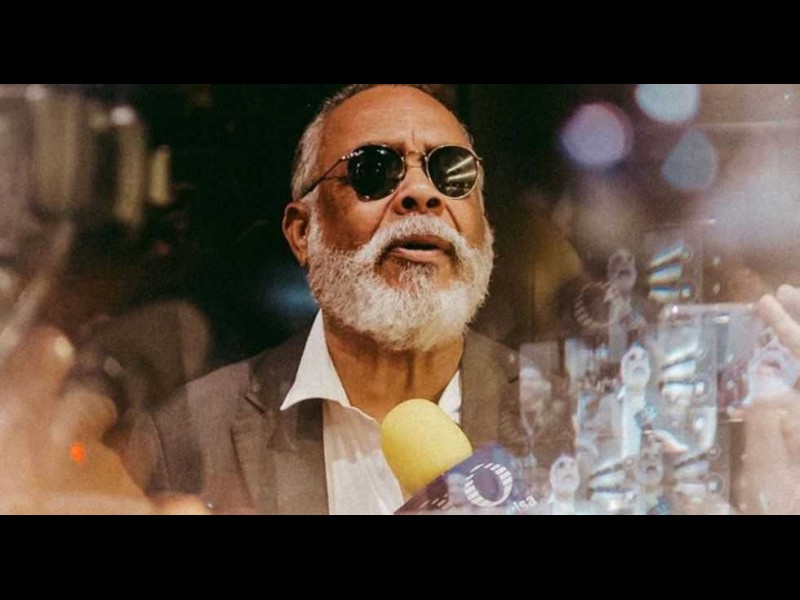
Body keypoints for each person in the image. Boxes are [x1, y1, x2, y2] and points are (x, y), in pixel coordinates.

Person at [121, 84, 536, 515]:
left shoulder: (567, 420)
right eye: (373, 170)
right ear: (303, 232)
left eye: (452, 172)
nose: (422, 193)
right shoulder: (185, 437)